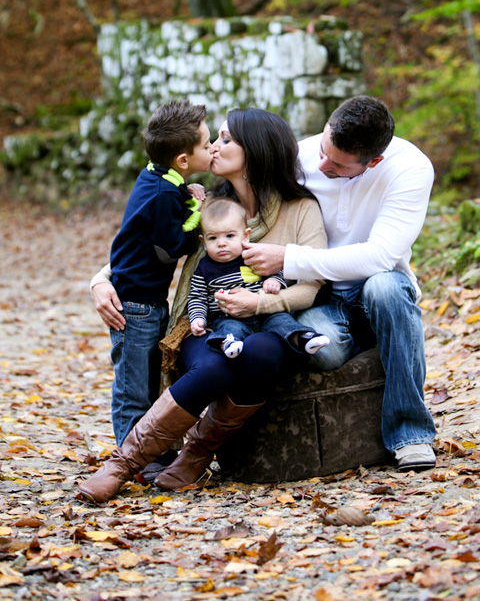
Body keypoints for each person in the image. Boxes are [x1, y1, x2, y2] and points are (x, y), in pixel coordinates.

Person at [79, 108, 327, 503]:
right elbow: (140, 240)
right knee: (214, 361)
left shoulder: (301, 210)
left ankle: (194, 455)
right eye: (215, 139)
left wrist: (259, 303)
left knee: (261, 352)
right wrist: (100, 279)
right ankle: (122, 465)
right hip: (205, 323)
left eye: (227, 140)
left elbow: (312, 287)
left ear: (257, 151)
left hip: (269, 322)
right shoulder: (208, 204)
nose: (214, 147)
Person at [241, 95, 437, 471]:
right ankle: (389, 339)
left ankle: (411, 434)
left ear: (373, 161)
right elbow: (234, 207)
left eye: (337, 164)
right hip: (321, 295)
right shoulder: (300, 156)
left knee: (386, 289)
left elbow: (380, 256)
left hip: (377, 289)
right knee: (322, 352)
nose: (321, 164)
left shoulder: (410, 168)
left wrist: (290, 257)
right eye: (324, 148)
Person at [99, 99, 212, 450]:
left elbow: (170, 202)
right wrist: (197, 214)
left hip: (145, 300)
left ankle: (146, 453)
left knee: (148, 383)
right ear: (183, 159)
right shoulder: (164, 193)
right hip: (136, 306)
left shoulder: (157, 176)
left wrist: (186, 197)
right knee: (134, 389)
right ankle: (131, 459)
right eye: (207, 146)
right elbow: (171, 246)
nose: (211, 150)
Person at [189, 196, 330, 358]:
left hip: (265, 312)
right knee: (228, 327)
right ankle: (228, 343)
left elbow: (276, 271)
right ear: (204, 241)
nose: (221, 243)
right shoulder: (204, 268)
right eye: (213, 238)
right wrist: (198, 319)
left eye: (229, 236)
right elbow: (197, 297)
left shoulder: (251, 255)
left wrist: (274, 281)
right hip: (229, 316)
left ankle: (303, 338)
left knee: (282, 321)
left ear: (245, 236)